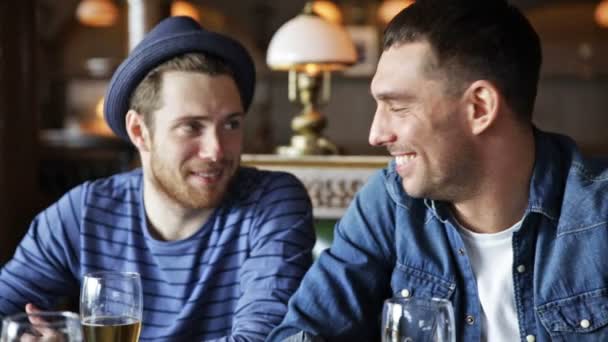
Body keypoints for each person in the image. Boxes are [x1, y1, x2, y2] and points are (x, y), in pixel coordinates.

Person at [268, 1, 608, 341]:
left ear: (479, 108)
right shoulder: (391, 203)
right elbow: (302, 331)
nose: (376, 134)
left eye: (398, 107)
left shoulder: (598, 215)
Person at [0, 16, 316, 341]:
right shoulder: (83, 213)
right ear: (140, 132)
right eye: (192, 126)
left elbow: (261, 339)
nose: (216, 150)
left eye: (231, 124)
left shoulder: (272, 202)